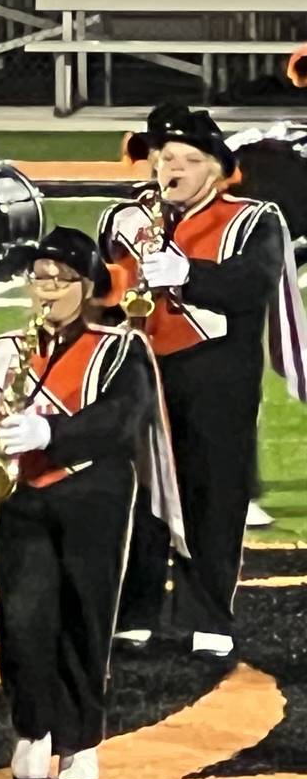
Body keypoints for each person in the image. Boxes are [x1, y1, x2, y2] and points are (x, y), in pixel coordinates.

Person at [0, 228, 158, 779]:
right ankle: (31, 730)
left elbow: (122, 421)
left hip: (92, 496)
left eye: (59, 279)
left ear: (87, 287)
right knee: (21, 618)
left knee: (84, 619)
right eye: (38, 276)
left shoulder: (120, 348)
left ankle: (79, 741)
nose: (45, 289)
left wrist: (50, 431)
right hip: (19, 501)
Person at [105, 106, 294, 658]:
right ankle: (133, 609)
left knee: (213, 492)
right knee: (136, 492)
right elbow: (103, 291)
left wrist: (190, 274)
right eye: (166, 159)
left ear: (216, 170)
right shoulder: (124, 221)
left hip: (216, 375)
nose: (175, 170)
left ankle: (207, 614)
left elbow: (254, 285)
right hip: (138, 372)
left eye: (190, 160)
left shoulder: (253, 218)